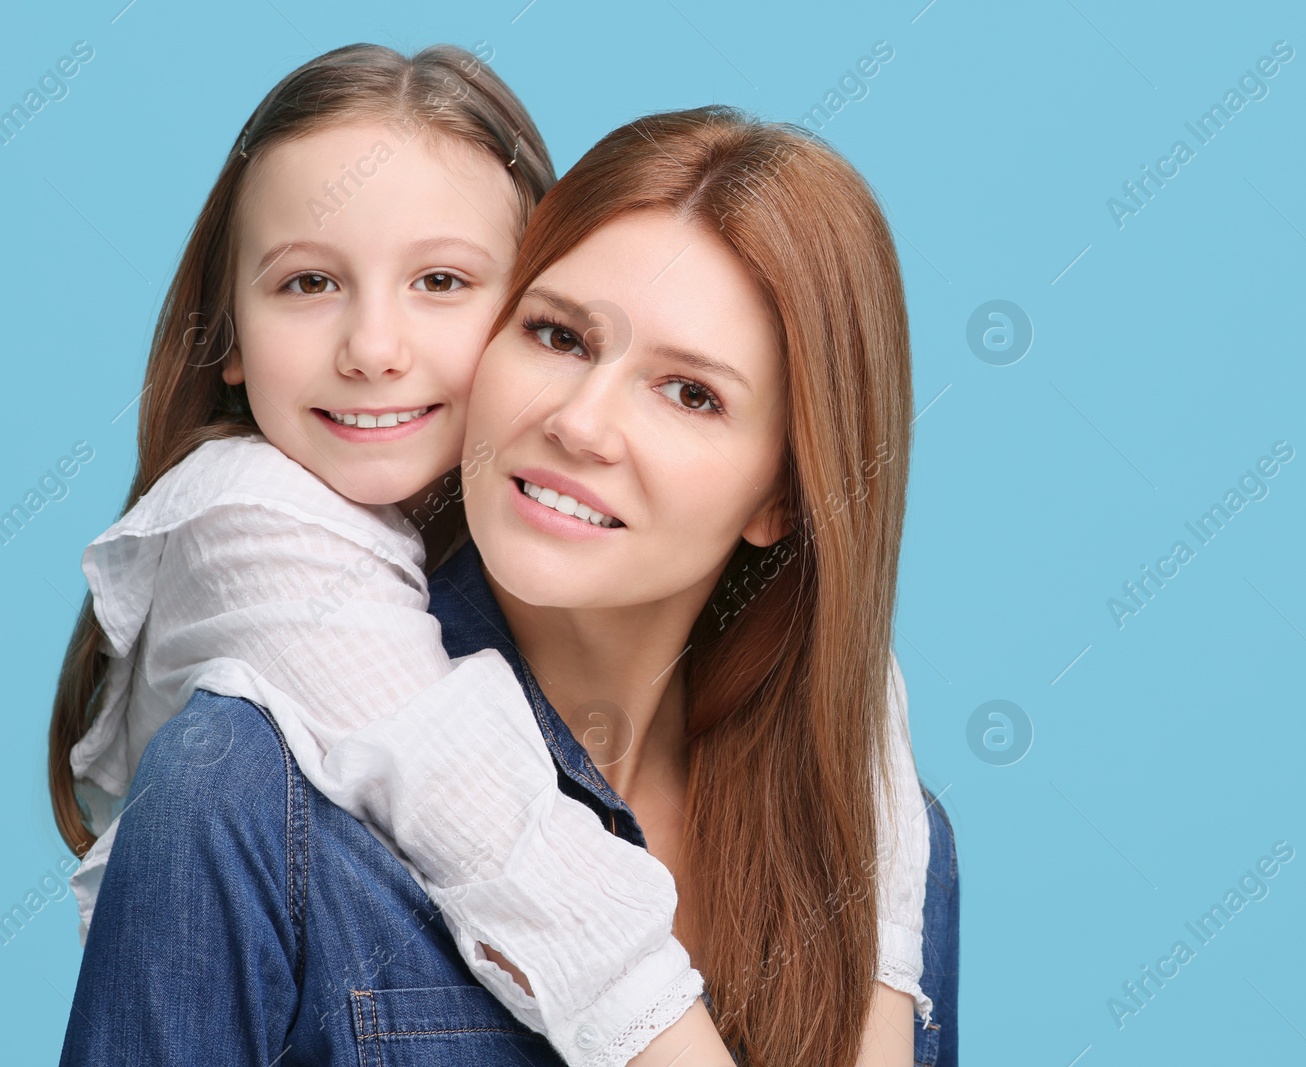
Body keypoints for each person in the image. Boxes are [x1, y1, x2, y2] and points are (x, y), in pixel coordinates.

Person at [46, 47, 937, 1067]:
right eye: (560, 336)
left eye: (691, 392)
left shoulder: (856, 817)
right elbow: (454, 772)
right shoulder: (240, 766)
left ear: (786, 490)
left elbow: (851, 683)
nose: (583, 422)